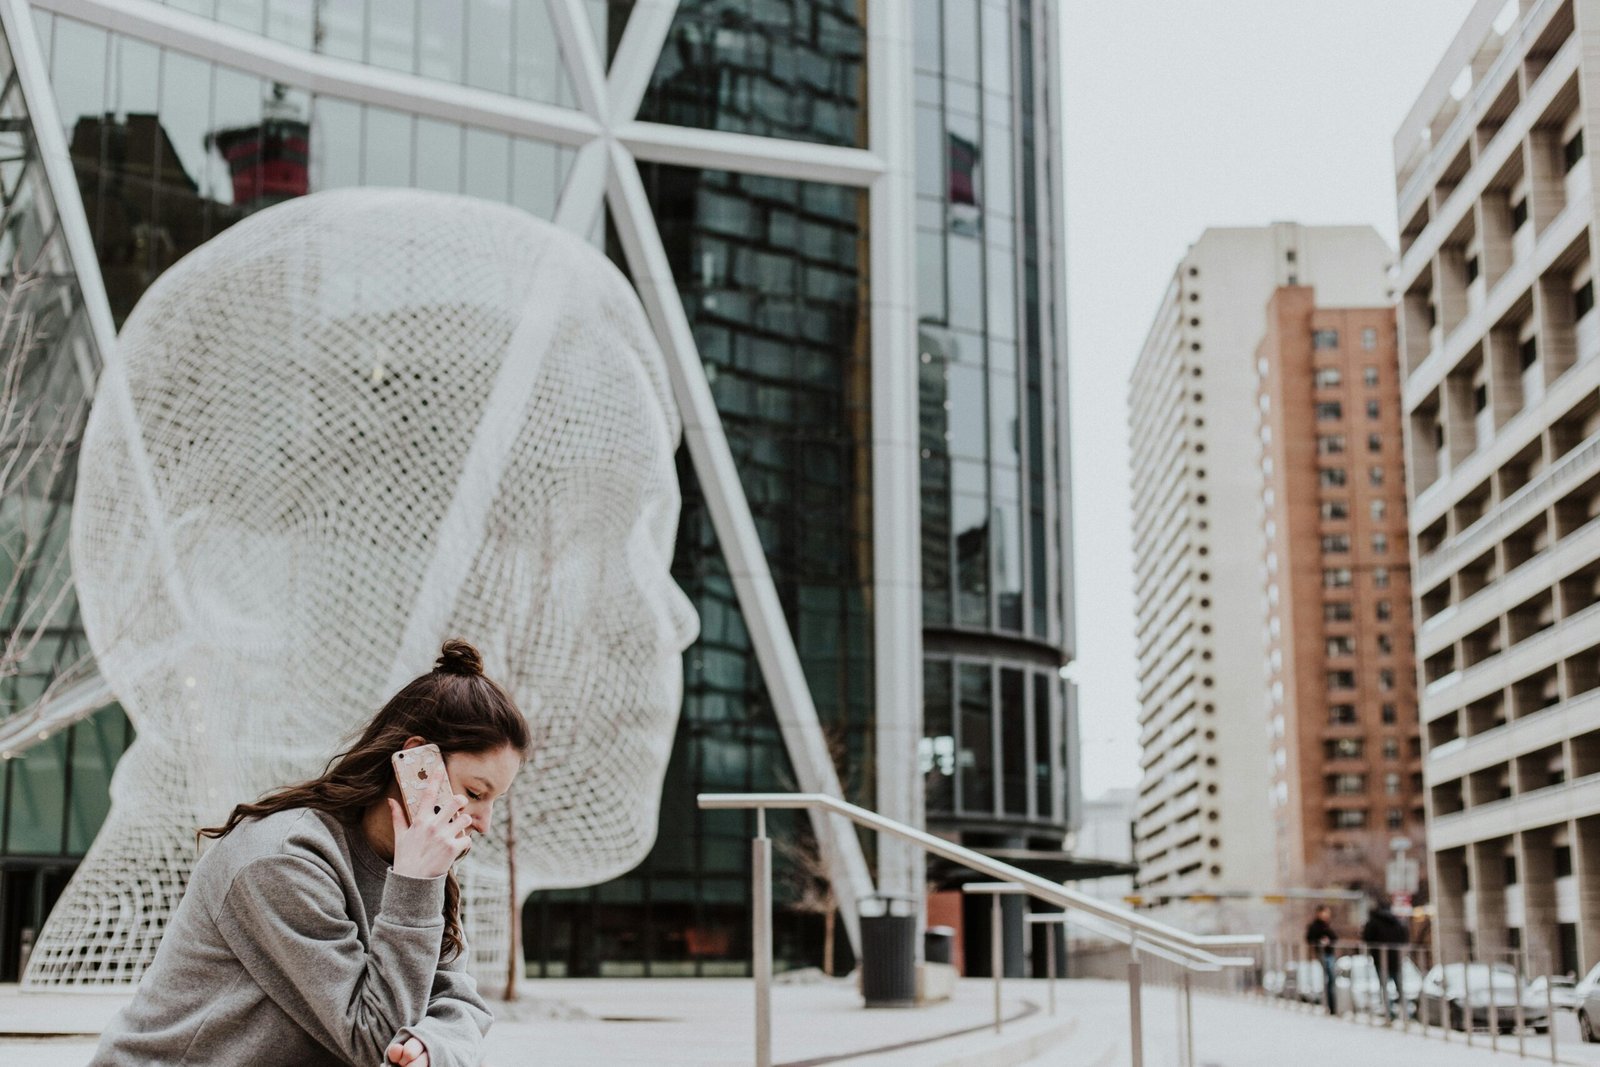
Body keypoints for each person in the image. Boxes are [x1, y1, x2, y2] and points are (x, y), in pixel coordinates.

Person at [89, 639, 530, 1067]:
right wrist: (415, 887)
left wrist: (432, 1047)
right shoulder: (283, 860)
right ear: (417, 762)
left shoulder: (417, 865)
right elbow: (373, 1038)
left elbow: (457, 999)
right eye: (475, 792)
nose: (483, 822)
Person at [1361, 899, 1411, 1022]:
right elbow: (1404, 936)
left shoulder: (1373, 922)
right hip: (1395, 958)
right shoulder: (1396, 921)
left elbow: (1367, 938)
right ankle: (1406, 1014)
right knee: (1399, 987)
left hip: (1380, 958)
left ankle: (1389, 1014)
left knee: (1384, 987)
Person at [1305, 905, 1339, 1015]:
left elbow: (1335, 937)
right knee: (1329, 978)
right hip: (1322, 953)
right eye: (1325, 912)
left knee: (1331, 979)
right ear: (1319, 913)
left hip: (1329, 953)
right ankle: (1330, 1005)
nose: (1327, 915)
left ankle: (1332, 1006)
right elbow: (1310, 939)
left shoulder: (1327, 925)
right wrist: (1320, 941)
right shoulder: (1315, 926)